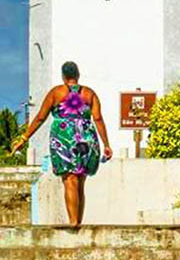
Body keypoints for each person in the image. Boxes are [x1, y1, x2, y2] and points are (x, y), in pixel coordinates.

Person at [11, 61, 113, 227]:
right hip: (86, 138)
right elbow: (98, 119)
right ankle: (78, 221)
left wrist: (24, 138)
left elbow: (40, 118)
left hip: (63, 138)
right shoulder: (89, 94)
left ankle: (73, 221)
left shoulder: (56, 93)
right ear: (78, 75)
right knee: (80, 180)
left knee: (69, 179)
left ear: (63, 76)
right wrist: (106, 145)